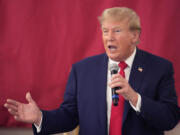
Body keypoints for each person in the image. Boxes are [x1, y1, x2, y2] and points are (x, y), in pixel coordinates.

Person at [4, 7, 180, 135]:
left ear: (134, 36)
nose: (109, 37)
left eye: (117, 31)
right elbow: (70, 116)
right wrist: (40, 118)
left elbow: (170, 119)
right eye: (105, 31)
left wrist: (135, 98)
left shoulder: (160, 68)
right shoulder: (82, 70)